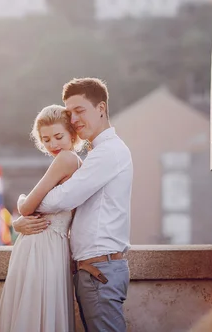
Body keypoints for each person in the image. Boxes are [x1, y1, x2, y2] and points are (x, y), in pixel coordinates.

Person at [14, 77, 133, 332]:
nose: (75, 119)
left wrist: (24, 203)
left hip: (100, 270)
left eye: (80, 110)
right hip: (94, 269)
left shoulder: (108, 152)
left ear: (101, 108)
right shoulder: (96, 153)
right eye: (71, 113)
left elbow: (63, 198)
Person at [0, 104, 84, 332]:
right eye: (45, 139)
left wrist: (21, 200)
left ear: (72, 134)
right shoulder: (72, 161)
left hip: (43, 246)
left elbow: (27, 207)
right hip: (50, 245)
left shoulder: (66, 159)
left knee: (32, 313)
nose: (52, 144)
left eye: (58, 136)